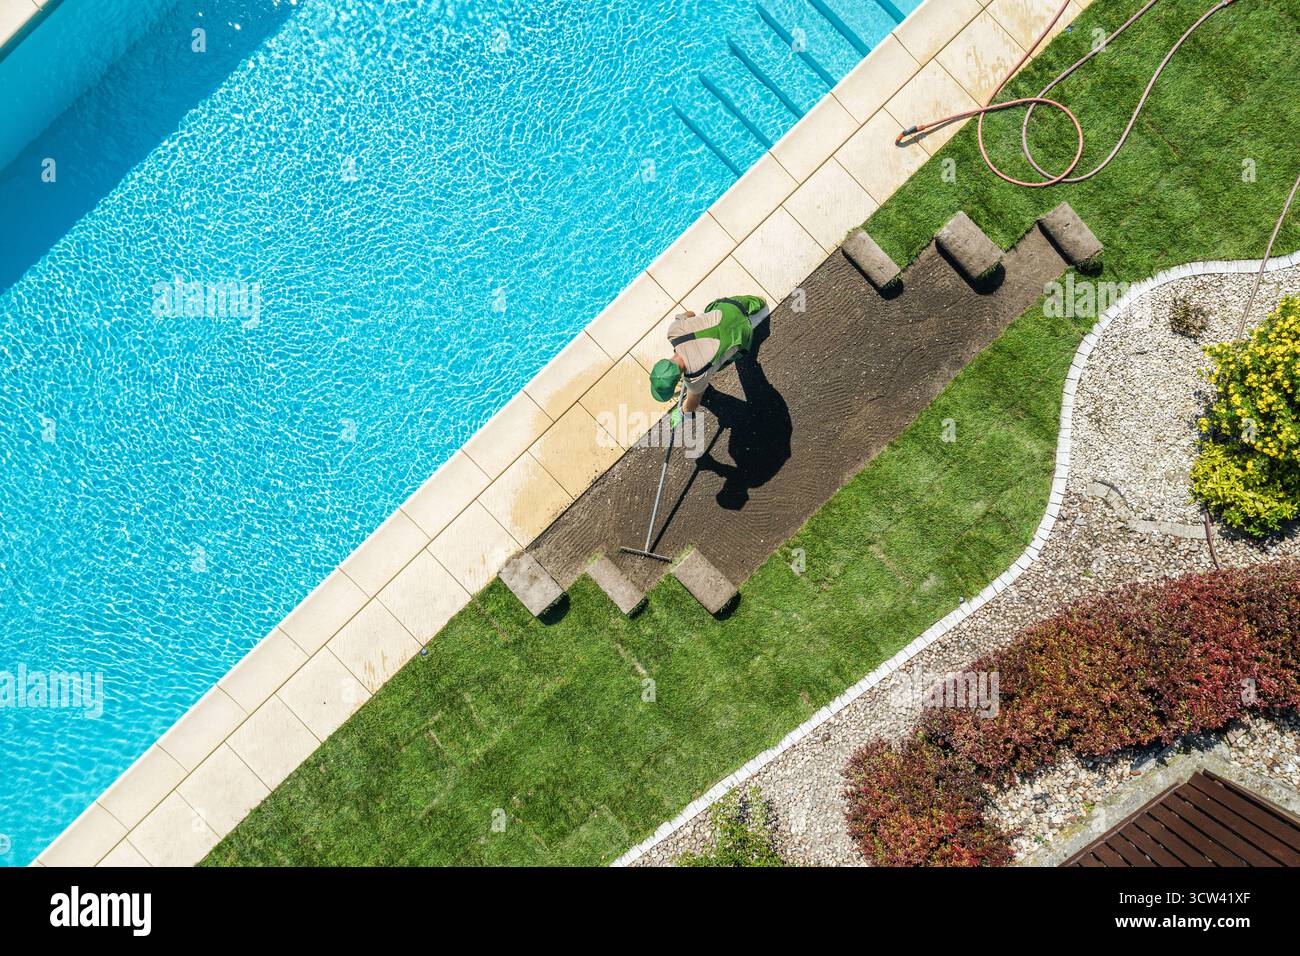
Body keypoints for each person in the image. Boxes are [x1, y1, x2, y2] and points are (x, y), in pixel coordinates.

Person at [648, 295, 767, 420]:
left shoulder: (695, 378)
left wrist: (684, 412)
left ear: (678, 378)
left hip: (744, 334)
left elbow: (693, 402)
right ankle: (759, 302)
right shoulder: (674, 331)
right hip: (732, 306)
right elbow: (690, 314)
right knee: (712, 309)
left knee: (718, 364)